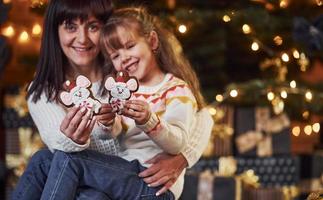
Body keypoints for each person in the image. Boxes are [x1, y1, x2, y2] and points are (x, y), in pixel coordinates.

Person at [12, 1, 213, 199]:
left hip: (132, 179)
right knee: (43, 160)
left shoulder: (124, 77)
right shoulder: (43, 92)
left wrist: (182, 158)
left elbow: (202, 116)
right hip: (96, 180)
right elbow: (62, 148)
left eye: (93, 27)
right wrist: (92, 130)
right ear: (54, 32)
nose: (82, 39)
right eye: (70, 26)